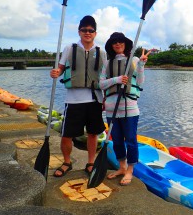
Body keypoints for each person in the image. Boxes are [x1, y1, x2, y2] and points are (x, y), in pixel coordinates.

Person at [50, 15, 107, 177]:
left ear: (95, 33)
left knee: (93, 133)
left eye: (91, 30)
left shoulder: (101, 52)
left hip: (94, 99)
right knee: (67, 134)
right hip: (73, 100)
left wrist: (106, 98)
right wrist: (56, 72)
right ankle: (67, 162)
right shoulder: (70, 48)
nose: (87, 33)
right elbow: (60, 68)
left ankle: (90, 162)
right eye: (84, 30)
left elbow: (105, 76)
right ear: (79, 32)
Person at [99, 32, 151, 186]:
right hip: (111, 109)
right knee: (117, 141)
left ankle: (130, 169)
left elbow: (140, 82)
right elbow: (101, 84)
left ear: (126, 44)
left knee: (131, 140)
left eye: (120, 41)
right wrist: (117, 79)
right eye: (114, 42)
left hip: (129, 108)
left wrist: (141, 65)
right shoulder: (107, 64)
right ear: (111, 46)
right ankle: (121, 167)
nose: (118, 44)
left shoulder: (134, 60)